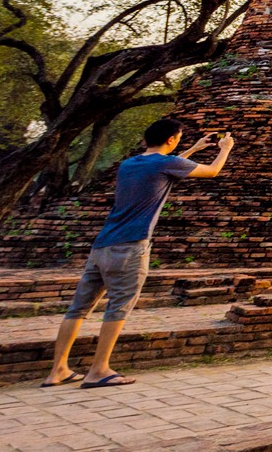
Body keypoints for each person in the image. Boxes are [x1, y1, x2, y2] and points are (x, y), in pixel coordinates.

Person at [44, 117, 234, 388]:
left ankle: (58, 370)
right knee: (118, 307)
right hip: (131, 246)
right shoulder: (166, 163)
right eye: (177, 139)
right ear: (171, 140)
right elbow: (212, 172)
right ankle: (99, 370)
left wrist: (193, 149)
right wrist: (224, 148)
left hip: (102, 245)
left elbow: (164, 168)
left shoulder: (129, 164)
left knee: (78, 309)